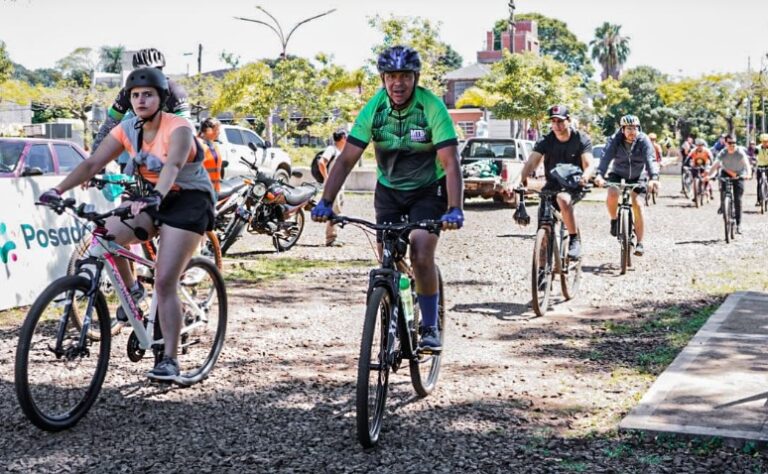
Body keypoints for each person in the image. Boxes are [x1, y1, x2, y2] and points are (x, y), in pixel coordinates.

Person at [39, 68, 215, 382]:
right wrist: (58, 190)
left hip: (188, 201)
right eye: (135, 95)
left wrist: (156, 196)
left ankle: (170, 360)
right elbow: (93, 162)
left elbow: (173, 164)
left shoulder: (179, 128)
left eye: (148, 94)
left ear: (162, 98)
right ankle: (133, 292)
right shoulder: (128, 128)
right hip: (149, 197)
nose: (141, 100)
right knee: (104, 232)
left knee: (165, 281)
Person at [311, 45, 464, 353]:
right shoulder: (374, 109)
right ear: (383, 78)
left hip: (427, 190)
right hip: (389, 191)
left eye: (405, 76)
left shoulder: (431, 107)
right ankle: (397, 300)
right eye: (391, 76)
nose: (398, 83)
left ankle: (430, 326)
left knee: (421, 252)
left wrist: (454, 208)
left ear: (415, 77)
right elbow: (346, 159)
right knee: (387, 256)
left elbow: (451, 163)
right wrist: (325, 201)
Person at [519, 104, 594, 260]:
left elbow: (589, 164)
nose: (556, 125)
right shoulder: (546, 140)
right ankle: (542, 265)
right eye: (553, 121)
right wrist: (521, 180)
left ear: (568, 120)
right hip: (552, 185)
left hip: (574, 185)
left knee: (563, 199)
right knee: (544, 219)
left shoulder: (581, 139)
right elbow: (531, 162)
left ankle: (574, 239)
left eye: (560, 121)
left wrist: (585, 176)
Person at [92, 48, 191, 161]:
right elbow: (108, 126)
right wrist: (94, 157)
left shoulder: (175, 91)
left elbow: (187, 128)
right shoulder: (127, 92)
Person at [594, 114, 660, 257]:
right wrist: (599, 174)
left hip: (638, 175)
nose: (632, 131)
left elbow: (650, 159)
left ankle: (640, 243)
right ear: (622, 129)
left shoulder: (643, 140)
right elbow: (606, 157)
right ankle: (614, 220)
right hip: (618, 173)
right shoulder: (614, 139)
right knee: (612, 193)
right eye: (629, 128)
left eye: (635, 128)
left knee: (638, 204)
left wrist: (654, 178)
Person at [709, 134, 751, 233]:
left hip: (739, 174)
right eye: (730, 143)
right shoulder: (723, 152)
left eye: (734, 143)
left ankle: (738, 224)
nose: (732, 145)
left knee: (738, 199)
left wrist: (749, 174)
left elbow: (747, 164)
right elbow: (715, 164)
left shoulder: (739, 152)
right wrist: (709, 175)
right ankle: (723, 205)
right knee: (723, 190)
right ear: (725, 143)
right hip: (726, 172)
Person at [319, 129, 347, 246]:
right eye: (346, 137)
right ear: (342, 138)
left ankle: (333, 236)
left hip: (339, 185)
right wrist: (327, 179)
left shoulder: (341, 151)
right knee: (333, 210)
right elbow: (321, 162)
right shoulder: (332, 149)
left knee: (337, 210)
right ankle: (331, 238)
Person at [198, 117, 223, 196]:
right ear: (208, 130)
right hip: (201, 190)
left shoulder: (214, 145)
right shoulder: (197, 145)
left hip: (214, 189)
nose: (219, 132)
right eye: (217, 130)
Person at [755, 134, 768, 205]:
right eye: (763, 141)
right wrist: (755, 160)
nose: (765, 143)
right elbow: (755, 156)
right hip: (760, 166)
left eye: (766, 141)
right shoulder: (757, 148)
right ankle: (758, 200)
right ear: (761, 141)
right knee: (759, 183)